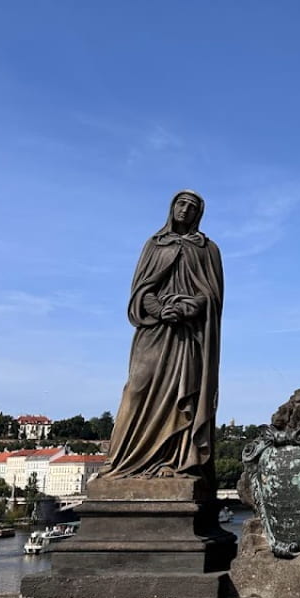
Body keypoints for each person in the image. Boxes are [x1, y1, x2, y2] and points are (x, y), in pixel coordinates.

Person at [99, 190, 223, 480]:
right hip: (154, 331)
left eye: (192, 207)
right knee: (136, 389)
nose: (185, 210)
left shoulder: (208, 249)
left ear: (199, 214)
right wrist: (158, 309)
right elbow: (140, 290)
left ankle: (175, 461)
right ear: (172, 207)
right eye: (181, 204)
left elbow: (212, 296)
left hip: (188, 336)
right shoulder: (155, 245)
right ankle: (121, 461)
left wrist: (187, 308)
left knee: (184, 395)